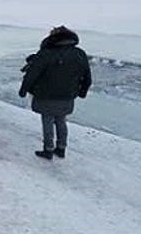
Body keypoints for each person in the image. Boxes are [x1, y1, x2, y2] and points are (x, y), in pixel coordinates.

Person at [20, 26, 92, 160]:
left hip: (45, 94)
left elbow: (32, 73)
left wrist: (24, 89)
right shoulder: (79, 53)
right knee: (61, 120)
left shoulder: (46, 53)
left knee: (47, 120)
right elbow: (87, 76)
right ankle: (61, 148)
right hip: (68, 95)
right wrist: (82, 91)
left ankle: (48, 149)